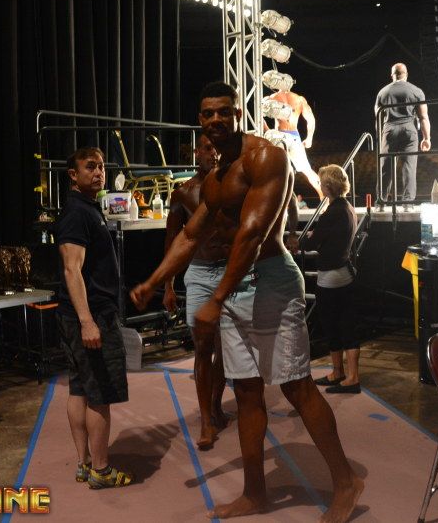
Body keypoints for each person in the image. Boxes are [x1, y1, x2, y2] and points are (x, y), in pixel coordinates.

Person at [131, 81, 363, 522]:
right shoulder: (217, 177)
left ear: (238, 114)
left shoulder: (265, 157)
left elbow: (252, 235)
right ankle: (255, 493)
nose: (215, 119)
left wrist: (216, 297)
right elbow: (191, 235)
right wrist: (154, 281)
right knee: (247, 391)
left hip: (271, 283)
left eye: (224, 111)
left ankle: (347, 482)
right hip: (235, 287)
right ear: (200, 120)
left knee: (296, 386)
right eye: (207, 113)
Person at [53, 147, 133, 489]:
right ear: (73, 174)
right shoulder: (76, 213)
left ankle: (85, 462)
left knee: (80, 388)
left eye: (100, 166)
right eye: (90, 167)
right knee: (99, 392)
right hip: (91, 316)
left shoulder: (86, 207)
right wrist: (88, 321)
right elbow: (72, 270)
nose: (99, 172)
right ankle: (101, 470)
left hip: (81, 315)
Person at [162, 134, 230, 450]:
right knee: (203, 347)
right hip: (200, 273)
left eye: (217, 148)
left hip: (229, 272)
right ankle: (205, 421)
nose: (213, 153)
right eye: (208, 148)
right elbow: (172, 241)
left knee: (225, 349)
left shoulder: (233, 184)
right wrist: (168, 285)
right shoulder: (182, 193)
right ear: (196, 152)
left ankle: (215, 403)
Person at [300, 164, 361, 394]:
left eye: (321, 183)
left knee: (333, 325)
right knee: (346, 325)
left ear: (328, 186)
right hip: (345, 273)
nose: (320, 186)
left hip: (331, 277)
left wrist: (301, 240)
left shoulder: (332, 212)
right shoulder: (348, 208)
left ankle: (346, 375)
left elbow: (311, 243)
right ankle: (345, 374)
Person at [374, 63, 430, 211]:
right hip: (409, 129)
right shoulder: (416, 90)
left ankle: (380, 204)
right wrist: (427, 138)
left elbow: (377, 117)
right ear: (406, 74)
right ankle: (407, 204)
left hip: (389, 130)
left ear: (392, 75)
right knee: (409, 167)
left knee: (386, 168)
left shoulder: (382, 92)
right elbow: (423, 117)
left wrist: (381, 137)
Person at [265, 89, 324, 199]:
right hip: (294, 136)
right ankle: (324, 198)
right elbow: (311, 119)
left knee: (277, 172)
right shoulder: (299, 99)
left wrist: (268, 131)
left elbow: (259, 117)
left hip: (279, 136)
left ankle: (279, 204)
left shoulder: (272, 98)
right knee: (308, 171)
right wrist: (309, 138)